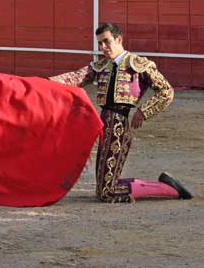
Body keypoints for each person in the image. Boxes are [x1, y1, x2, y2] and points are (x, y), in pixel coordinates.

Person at [49, 23, 193, 203]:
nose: (102, 47)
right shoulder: (101, 65)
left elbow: (166, 91)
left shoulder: (138, 64)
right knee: (105, 189)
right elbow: (74, 77)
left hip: (119, 125)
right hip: (104, 124)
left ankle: (168, 189)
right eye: (99, 43)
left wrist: (144, 111)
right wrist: (43, 83)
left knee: (106, 192)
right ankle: (165, 185)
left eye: (106, 42)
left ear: (119, 39)